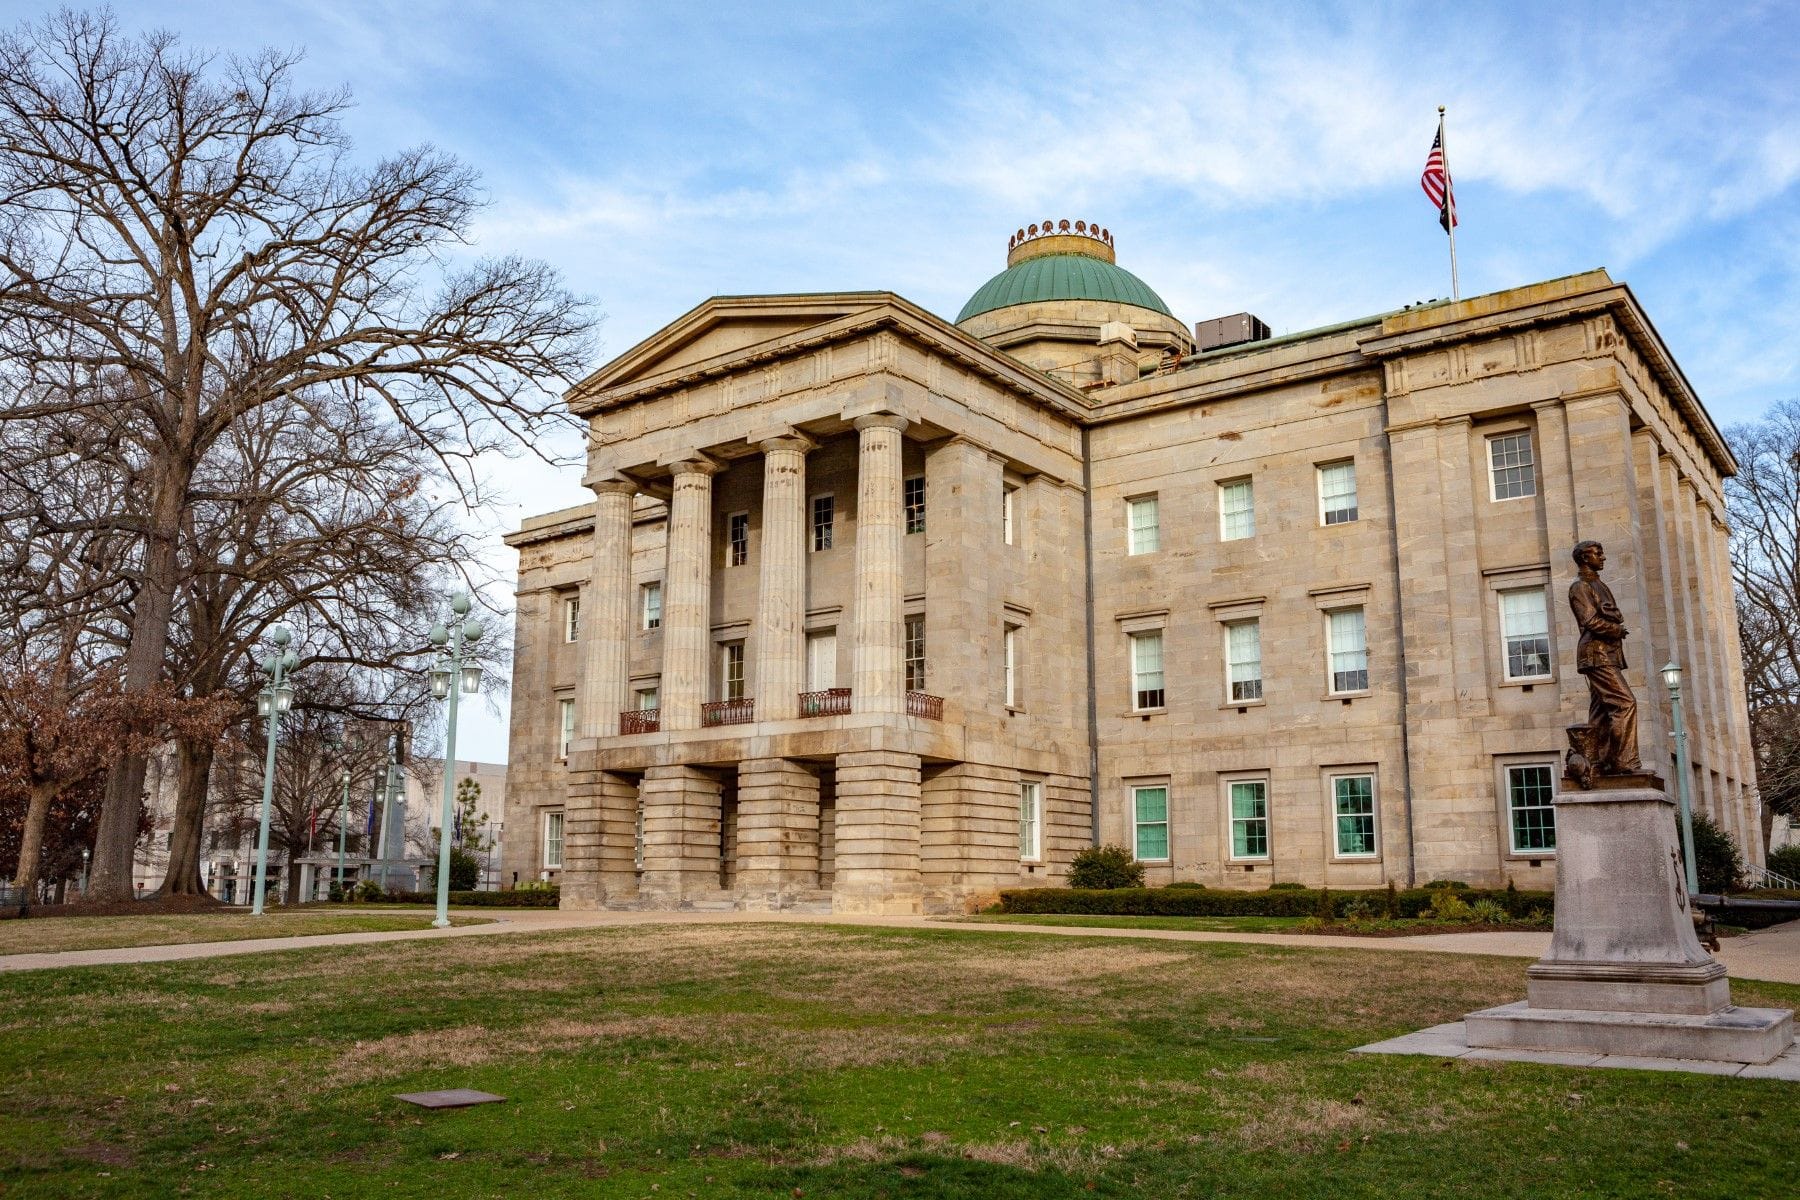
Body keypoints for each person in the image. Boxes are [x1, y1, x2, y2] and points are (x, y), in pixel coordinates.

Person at [1569, 540, 1641, 774]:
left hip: (1608, 654)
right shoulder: (1579, 587)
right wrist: (1617, 630)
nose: (1603, 557)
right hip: (1595, 654)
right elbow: (1589, 621)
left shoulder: (1598, 584)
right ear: (1584, 558)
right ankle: (1624, 762)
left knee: (1600, 712)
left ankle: (1595, 761)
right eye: (1598, 553)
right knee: (1625, 703)